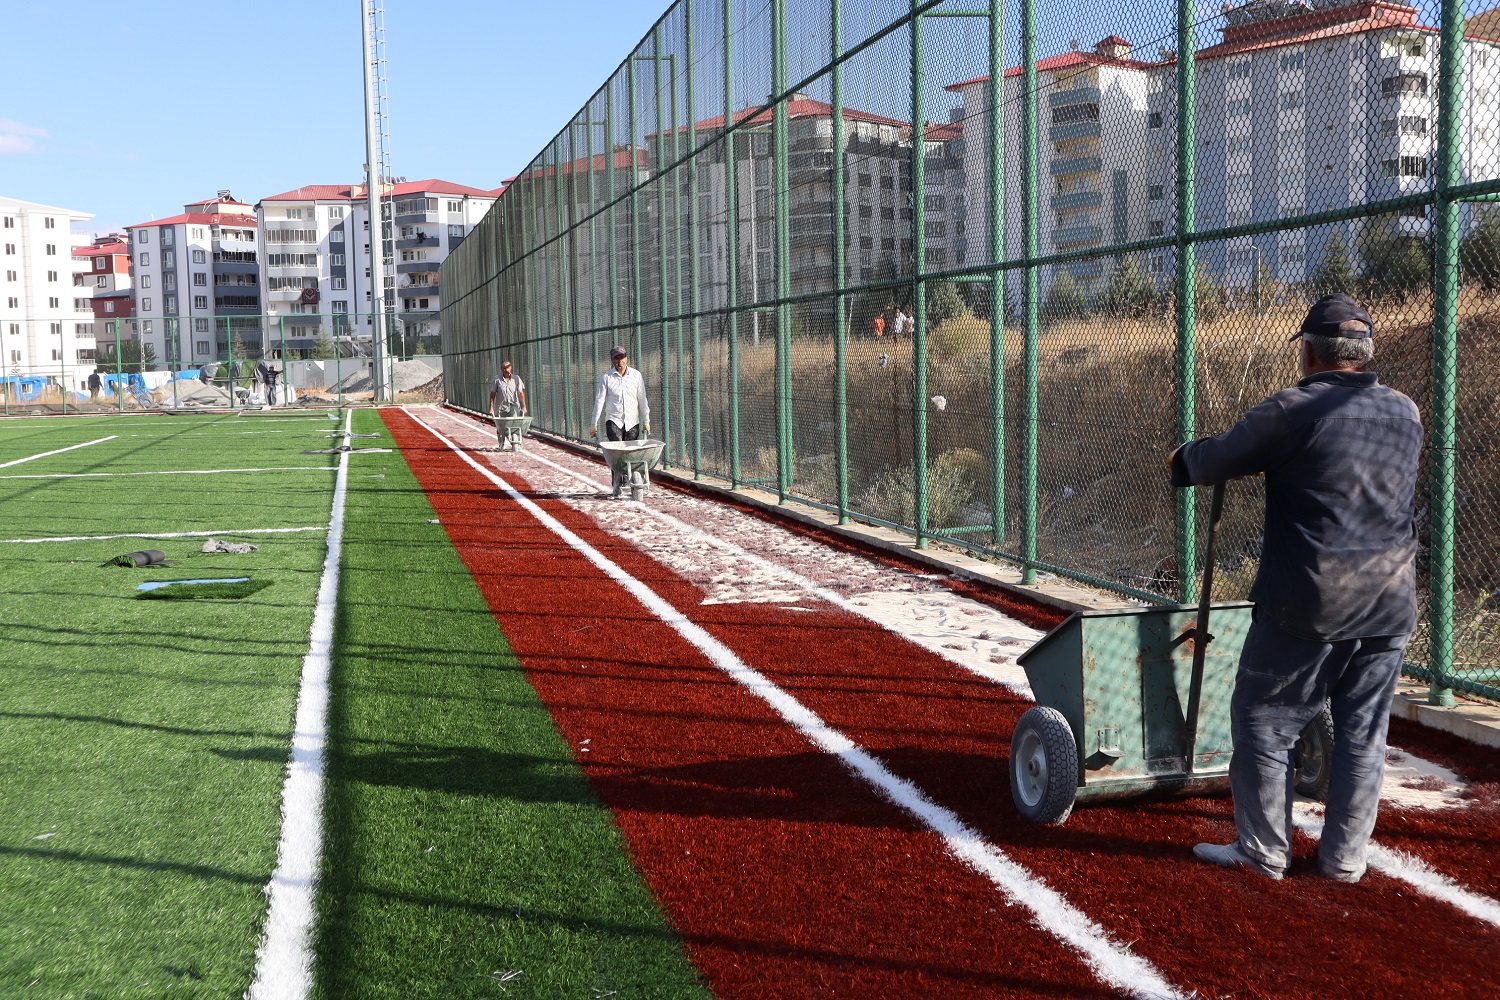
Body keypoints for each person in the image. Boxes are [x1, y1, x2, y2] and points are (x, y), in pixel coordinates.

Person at [1169, 293, 1422, 883]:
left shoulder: (1294, 410)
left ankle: (1263, 850)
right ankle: (1344, 861)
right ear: (1365, 353)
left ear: (1308, 353)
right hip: (1390, 599)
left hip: (1311, 599)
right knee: (1363, 733)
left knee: (1264, 717)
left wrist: (1184, 457)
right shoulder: (1405, 411)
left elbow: (1213, 462)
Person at [589, 345, 649, 442]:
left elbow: (642, 399)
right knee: (617, 451)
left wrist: (647, 421)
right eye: (616, 358)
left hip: (632, 422)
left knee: (630, 453)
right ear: (612, 360)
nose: (620, 361)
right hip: (613, 421)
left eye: (622, 357)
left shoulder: (636, 376)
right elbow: (599, 401)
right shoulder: (606, 378)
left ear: (627, 358)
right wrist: (593, 423)